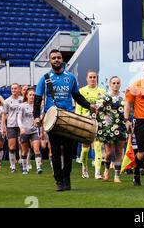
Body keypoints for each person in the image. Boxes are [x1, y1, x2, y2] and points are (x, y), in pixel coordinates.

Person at [33, 49, 96, 191]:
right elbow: (37, 99)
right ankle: (59, 181)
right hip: (51, 120)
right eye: (53, 58)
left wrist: (89, 106)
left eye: (58, 57)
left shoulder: (70, 77)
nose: (56, 60)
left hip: (69, 118)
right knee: (55, 152)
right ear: (50, 60)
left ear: (62, 59)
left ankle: (67, 179)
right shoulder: (45, 78)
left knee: (68, 152)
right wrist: (36, 116)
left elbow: (77, 97)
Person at [75, 70, 106, 180]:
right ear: (87, 79)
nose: (93, 79)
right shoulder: (82, 91)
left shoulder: (102, 92)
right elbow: (78, 107)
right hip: (85, 121)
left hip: (97, 122)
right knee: (85, 148)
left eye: (94, 77)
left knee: (97, 146)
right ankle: (84, 167)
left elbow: (104, 109)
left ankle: (97, 172)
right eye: (90, 77)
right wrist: (79, 119)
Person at [101, 76, 126, 183]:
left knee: (119, 151)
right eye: (114, 83)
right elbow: (101, 112)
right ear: (110, 85)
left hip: (121, 126)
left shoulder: (124, 96)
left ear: (120, 84)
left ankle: (117, 176)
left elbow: (128, 110)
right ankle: (106, 169)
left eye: (117, 83)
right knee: (109, 153)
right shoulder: (105, 97)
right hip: (108, 126)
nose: (116, 85)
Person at [18, 88, 42, 175]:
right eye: (30, 95)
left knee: (36, 149)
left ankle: (38, 167)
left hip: (34, 131)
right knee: (24, 151)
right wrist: (21, 128)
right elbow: (19, 118)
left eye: (33, 95)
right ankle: (24, 168)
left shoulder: (37, 106)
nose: (32, 96)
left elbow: (39, 117)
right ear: (27, 96)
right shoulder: (22, 106)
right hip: (25, 131)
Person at [1, 83, 23, 173]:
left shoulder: (22, 100)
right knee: (12, 147)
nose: (13, 90)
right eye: (12, 89)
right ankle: (13, 166)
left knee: (22, 145)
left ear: (19, 90)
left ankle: (23, 162)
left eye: (15, 88)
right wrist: (3, 126)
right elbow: (4, 114)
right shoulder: (7, 101)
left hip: (21, 126)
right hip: (11, 126)